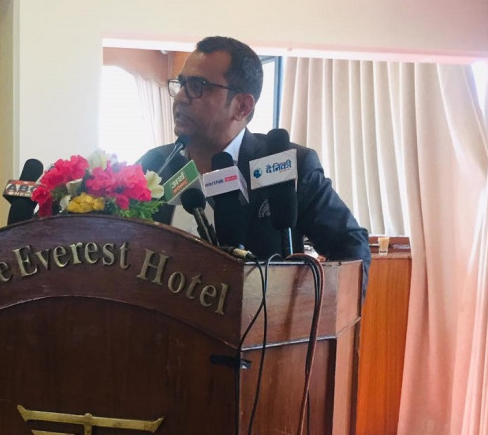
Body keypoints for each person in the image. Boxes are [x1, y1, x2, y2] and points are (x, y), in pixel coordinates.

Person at [138, 36, 371, 292]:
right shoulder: (155, 166)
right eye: (181, 84)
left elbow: (352, 246)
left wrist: (317, 310)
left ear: (242, 106)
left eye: (197, 86)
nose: (181, 97)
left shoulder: (288, 165)